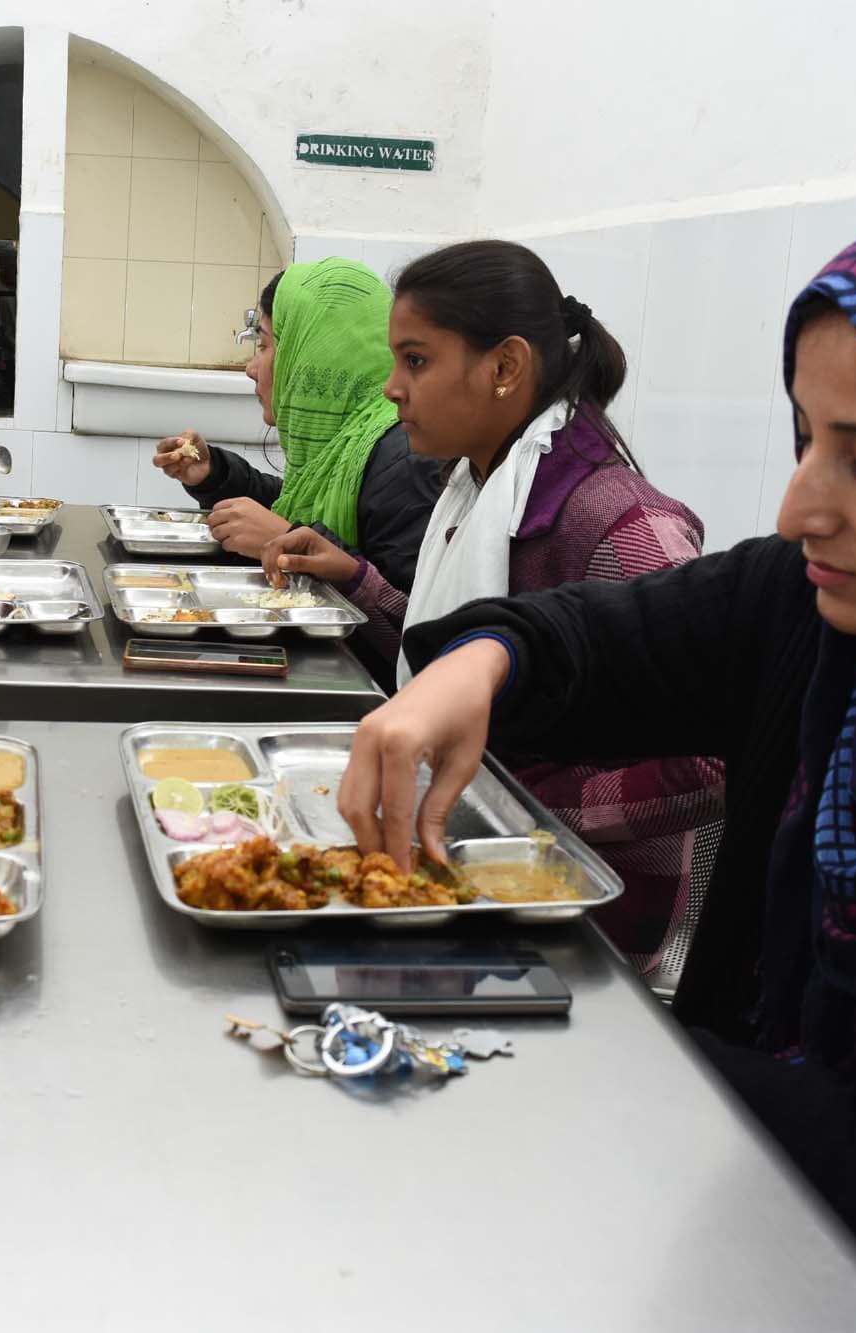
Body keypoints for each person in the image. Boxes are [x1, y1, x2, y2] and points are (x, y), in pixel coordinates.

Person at [339, 175, 856, 1330]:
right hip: (740, 1210)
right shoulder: (823, 610)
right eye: (800, 437)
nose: (795, 508)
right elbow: (605, 638)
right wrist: (477, 668)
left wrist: (553, 1023)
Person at [263, 242, 723, 974]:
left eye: (416, 360)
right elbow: (457, 661)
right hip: (474, 872)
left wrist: (517, 803)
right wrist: (358, 580)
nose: (391, 388)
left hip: (582, 924)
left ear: (505, 368)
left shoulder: (622, 525)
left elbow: (705, 763)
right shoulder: (475, 486)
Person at [150, 259, 442, 600]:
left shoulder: (405, 460)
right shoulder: (351, 439)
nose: (251, 368)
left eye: (265, 346)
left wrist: (290, 538)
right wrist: (213, 473)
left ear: (311, 356)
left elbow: (406, 618)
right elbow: (295, 502)